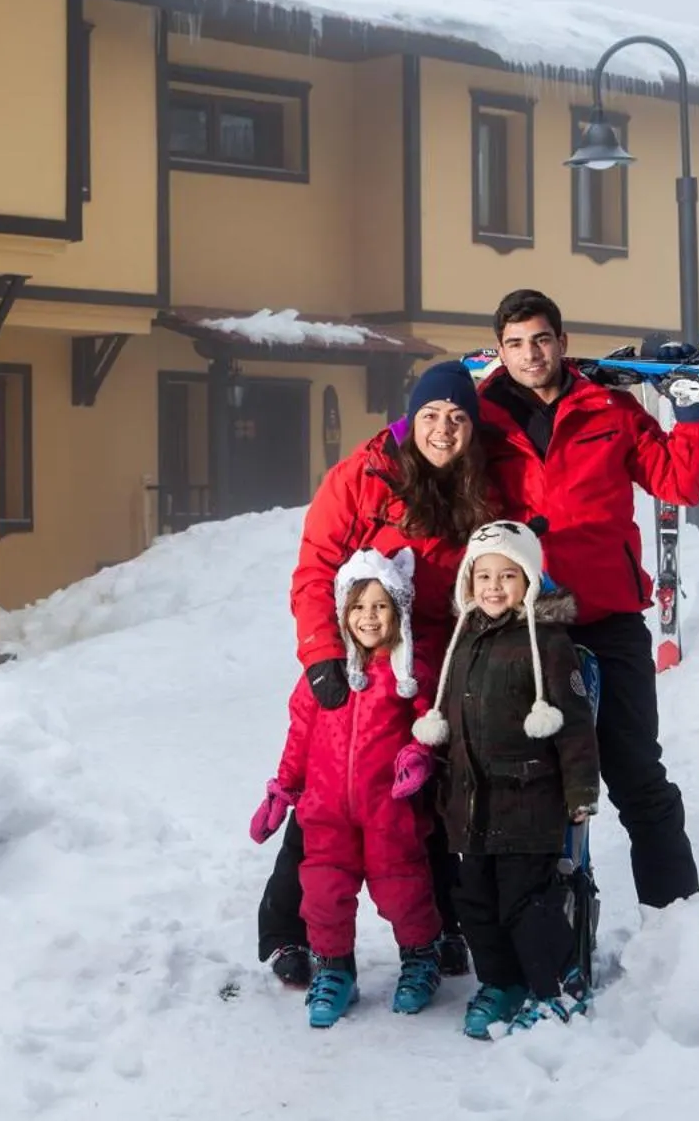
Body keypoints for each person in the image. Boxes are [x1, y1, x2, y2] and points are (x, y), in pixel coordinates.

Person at [256, 361, 502, 988]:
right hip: (360, 652)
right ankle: (291, 931)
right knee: (327, 794)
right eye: (429, 416)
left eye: (456, 418)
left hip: (433, 663)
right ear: (408, 418)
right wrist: (321, 658)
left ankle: (440, 925)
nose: (443, 430)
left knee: (429, 798)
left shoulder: (477, 485)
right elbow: (314, 571)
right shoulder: (360, 477)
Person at [474, 288, 699, 909]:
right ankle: (543, 928)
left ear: (562, 341)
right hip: (522, 626)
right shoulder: (480, 417)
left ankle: (677, 919)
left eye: (542, 340)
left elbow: (679, 483)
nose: (531, 355)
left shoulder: (608, 409)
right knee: (526, 786)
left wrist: (691, 416)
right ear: (500, 350)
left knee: (637, 775)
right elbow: (429, 464)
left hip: (607, 618)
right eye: (517, 344)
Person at [412, 519, 600, 1038]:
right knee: (473, 902)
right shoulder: (463, 641)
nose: (493, 587)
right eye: (483, 575)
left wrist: (581, 789)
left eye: (507, 575)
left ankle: (554, 985)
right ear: (467, 583)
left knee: (526, 903)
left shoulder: (548, 644)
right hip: (470, 807)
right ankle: (501, 982)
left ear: (530, 580)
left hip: (528, 805)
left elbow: (577, 725)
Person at [250, 548, 446, 1028]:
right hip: (326, 812)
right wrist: (284, 789)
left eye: (380, 605)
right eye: (358, 607)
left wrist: (419, 757)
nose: (368, 617)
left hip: (389, 811)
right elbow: (299, 735)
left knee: (401, 889)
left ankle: (421, 958)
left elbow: (431, 724)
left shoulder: (410, 673)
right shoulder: (325, 676)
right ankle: (335, 971)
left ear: (398, 609)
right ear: (342, 613)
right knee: (322, 892)